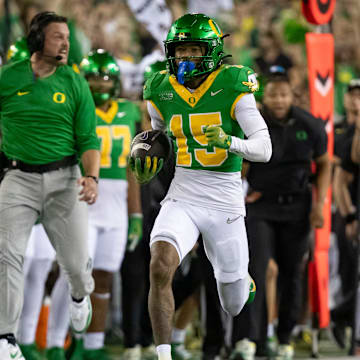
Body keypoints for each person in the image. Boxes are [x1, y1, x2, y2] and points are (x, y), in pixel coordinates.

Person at [130, 13, 272, 360]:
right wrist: (148, 158)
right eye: (180, 51)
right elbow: (160, 136)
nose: (185, 59)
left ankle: (243, 282)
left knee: (234, 302)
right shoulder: (160, 88)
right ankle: (163, 353)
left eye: (193, 50)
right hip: (184, 192)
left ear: (209, 51)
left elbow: (264, 149)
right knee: (160, 264)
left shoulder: (234, 84)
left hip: (224, 198)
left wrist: (229, 142)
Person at [0, 11, 100, 360]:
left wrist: (92, 177)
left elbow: (88, 139)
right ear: (37, 39)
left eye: (67, 38)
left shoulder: (74, 82)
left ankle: (78, 294)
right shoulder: (7, 78)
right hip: (17, 178)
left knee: (74, 264)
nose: (66, 44)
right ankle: (6, 338)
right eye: (59, 36)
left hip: (64, 180)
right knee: (7, 255)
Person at [231, 68, 331, 360]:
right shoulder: (253, 122)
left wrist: (319, 204)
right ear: (264, 96)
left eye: (283, 94)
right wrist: (241, 190)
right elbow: (239, 161)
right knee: (255, 271)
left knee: (292, 274)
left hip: (297, 208)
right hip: (260, 206)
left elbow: (325, 163)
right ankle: (248, 339)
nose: (278, 100)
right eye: (272, 94)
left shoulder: (309, 124)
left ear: (292, 95)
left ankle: (285, 339)